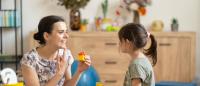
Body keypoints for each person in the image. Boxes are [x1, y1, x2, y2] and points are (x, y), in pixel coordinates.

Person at [20, 15, 91, 86]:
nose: (66, 36)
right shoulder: (29, 60)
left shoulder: (66, 54)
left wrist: (79, 71)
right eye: (61, 32)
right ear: (46, 36)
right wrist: (59, 73)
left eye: (66, 32)